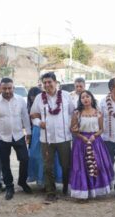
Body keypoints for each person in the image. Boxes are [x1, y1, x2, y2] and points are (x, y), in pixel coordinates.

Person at [30, 72, 75, 201]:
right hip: (46, 138)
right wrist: (39, 123)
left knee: (66, 165)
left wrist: (71, 124)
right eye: (45, 83)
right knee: (47, 166)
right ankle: (51, 192)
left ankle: (66, 186)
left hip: (64, 137)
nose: (47, 85)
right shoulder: (39, 97)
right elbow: (33, 115)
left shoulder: (66, 96)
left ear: (55, 82)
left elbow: (73, 113)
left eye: (50, 82)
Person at [0, 78, 32, 200]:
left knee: (25, 159)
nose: (7, 91)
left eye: (9, 88)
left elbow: (25, 117)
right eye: (4, 88)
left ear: (13, 88)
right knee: (4, 163)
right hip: (1, 137)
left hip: (18, 135)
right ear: (0, 88)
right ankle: (9, 186)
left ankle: (22, 182)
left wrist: (28, 132)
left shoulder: (20, 100)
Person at [70, 90, 115, 199]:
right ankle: (82, 193)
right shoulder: (77, 113)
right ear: (80, 100)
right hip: (81, 143)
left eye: (87, 97)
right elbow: (73, 129)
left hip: (95, 142)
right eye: (83, 97)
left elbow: (101, 129)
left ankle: (96, 190)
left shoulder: (98, 112)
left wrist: (94, 136)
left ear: (91, 98)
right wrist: (82, 137)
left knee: (98, 165)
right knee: (81, 167)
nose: (85, 99)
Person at [27, 86, 63, 186]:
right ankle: (40, 179)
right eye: (31, 96)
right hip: (36, 131)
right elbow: (32, 117)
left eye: (35, 95)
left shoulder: (47, 101)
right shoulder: (30, 105)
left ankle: (50, 181)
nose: (33, 98)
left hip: (47, 129)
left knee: (50, 156)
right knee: (36, 156)